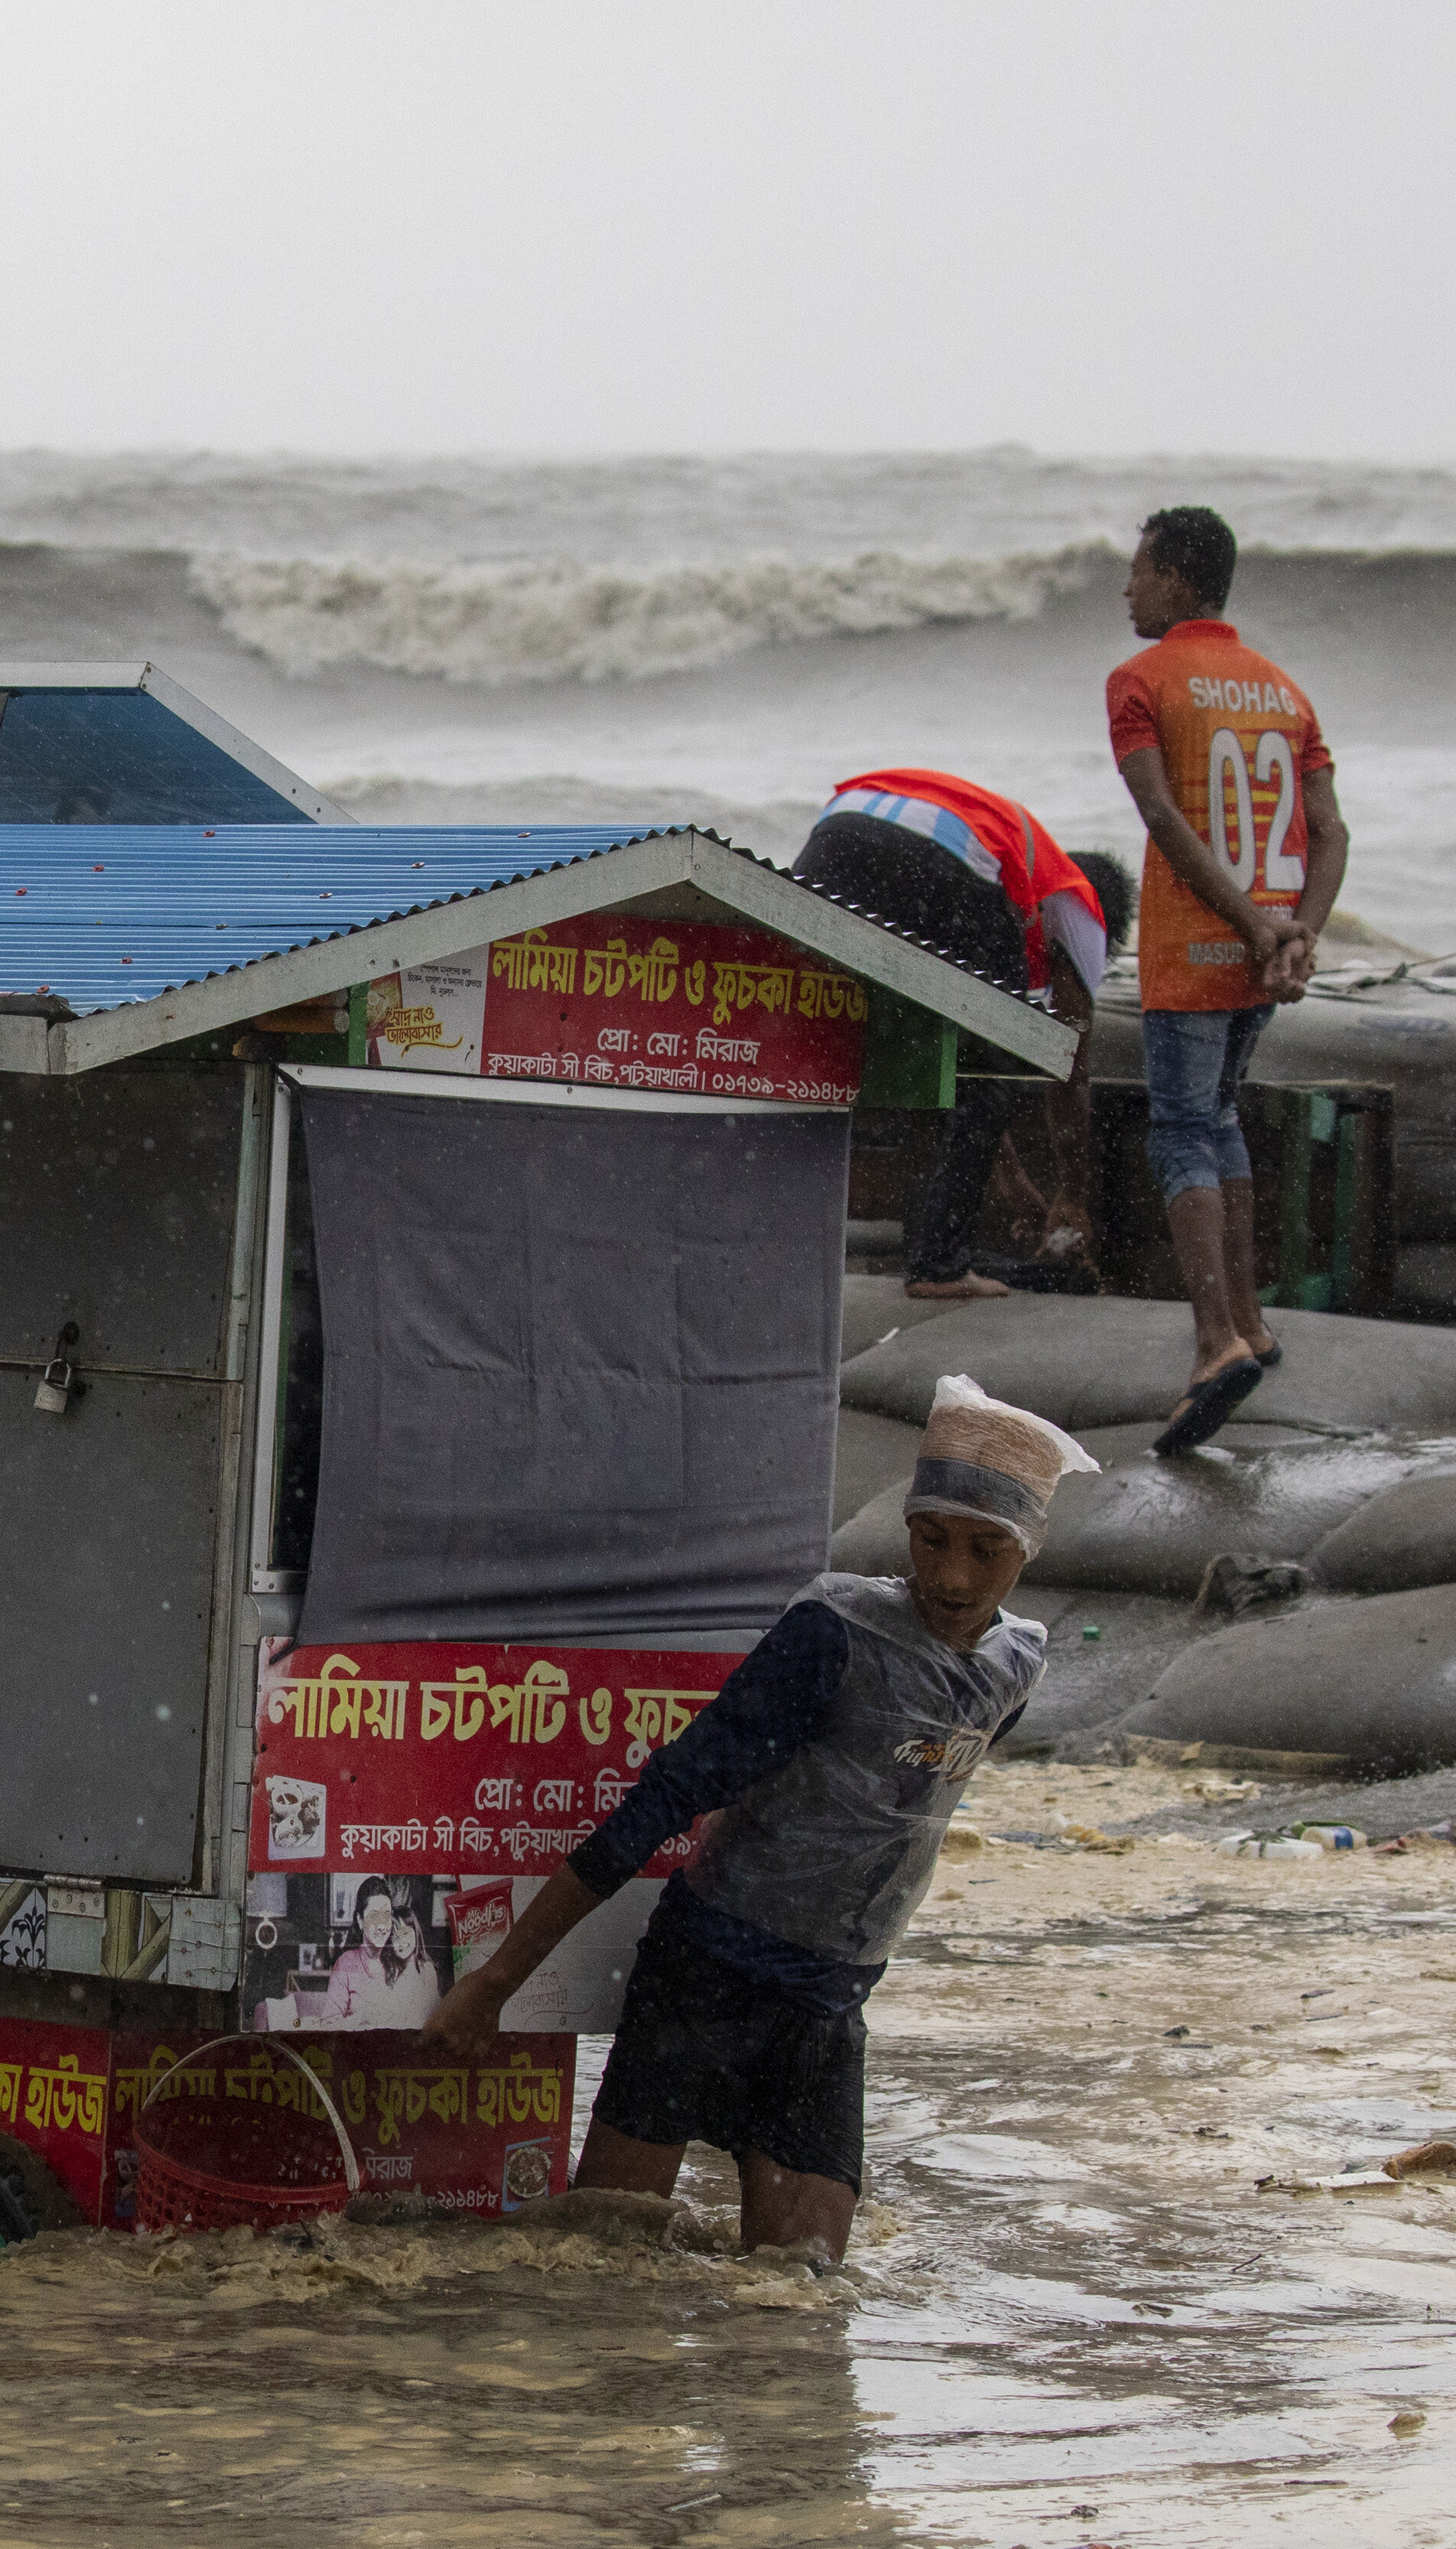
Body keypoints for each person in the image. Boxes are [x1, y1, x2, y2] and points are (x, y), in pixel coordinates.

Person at [418, 1376, 1093, 2260]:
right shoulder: (829, 1637)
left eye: (984, 1550)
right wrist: (496, 1980)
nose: (951, 1577)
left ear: (1029, 1551)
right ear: (905, 1533)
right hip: (708, 1976)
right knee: (598, 2259)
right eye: (929, 1541)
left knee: (800, 2292)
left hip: (828, 2000)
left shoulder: (1016, 1667)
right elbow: (660, 1801)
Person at [1107, 505, 1350, 1452]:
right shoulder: (1283, 690)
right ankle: (1247, 1323)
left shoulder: (1138, 681)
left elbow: (1163, 820)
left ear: (1174, 577)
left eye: (1136, 571)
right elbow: (1328, 834)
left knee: (1178, 1132)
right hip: (1266, 953)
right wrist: (1295, 937)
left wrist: (1245, 926)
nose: (1126, 589)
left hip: (1195, 947)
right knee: (1220, 1119)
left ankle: (1212, 1344)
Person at [794, 771, 1122, 1299]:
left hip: (836, 834)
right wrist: (1074, 1195)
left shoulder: (1024, 859)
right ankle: (938, 1264)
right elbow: (1069, 1066)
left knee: (892, 1035)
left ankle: (788, 1231)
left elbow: (967, 1054)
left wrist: (1010, 1177)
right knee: (989, 1055)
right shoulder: (1081, 901)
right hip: (938, 856)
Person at [318, 1878, 444, 2030]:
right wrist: (361, 2019)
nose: (381, 1926)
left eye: (386, 1916)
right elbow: (327, 2026)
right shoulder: (346, 1964)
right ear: (360, 1920)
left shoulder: (401, 1957)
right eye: (373, 1916)